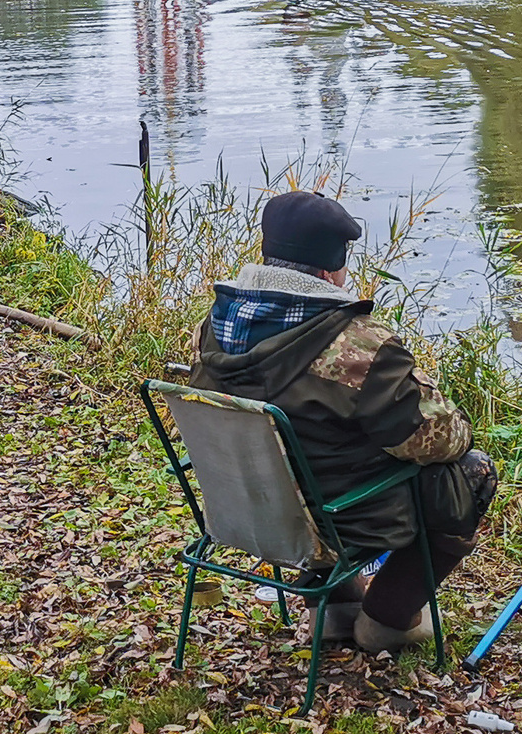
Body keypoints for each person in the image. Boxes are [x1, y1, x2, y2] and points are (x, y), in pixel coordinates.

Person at [192, 191, 496, 653]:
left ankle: (335, 608)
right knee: (472, 472)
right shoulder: (358, 347)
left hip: (245, 509)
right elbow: (440, 442)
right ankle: (388, 619)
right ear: (329, 273)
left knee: (308, 463)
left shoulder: (211, 329)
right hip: (341, 521)